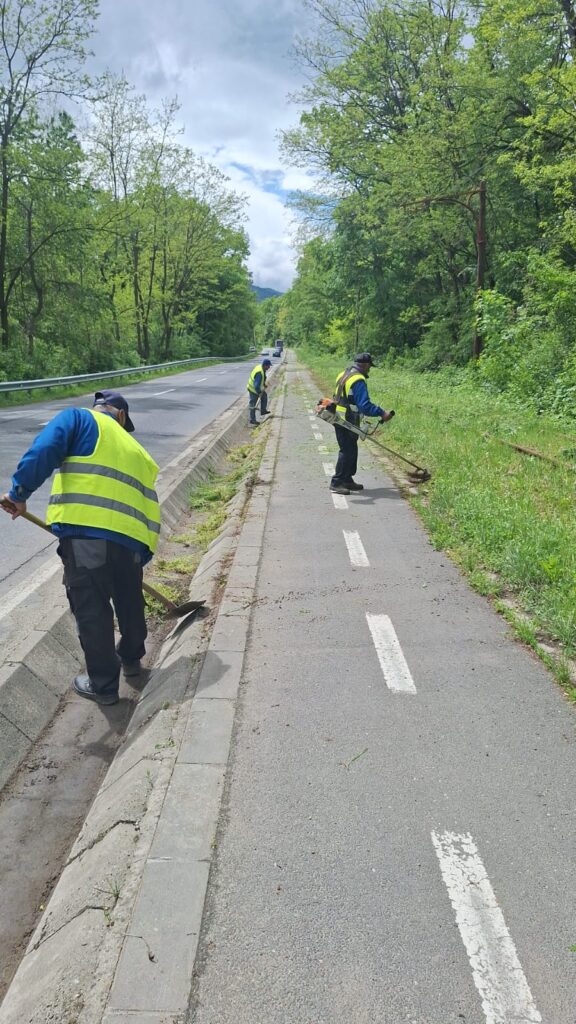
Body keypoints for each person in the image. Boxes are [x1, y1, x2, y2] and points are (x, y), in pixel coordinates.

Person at [1, 390, 160, 706]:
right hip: (132, 542)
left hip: (88, 536)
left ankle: (104, 686)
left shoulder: (78, 418)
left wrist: (18, 493)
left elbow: (44, 449)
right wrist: (142, 553)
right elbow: (150, 507)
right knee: (129, 600)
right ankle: (131, 660)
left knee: (92, 608)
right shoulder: (139, 452)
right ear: (121, 416)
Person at [330, 352, 394, 495]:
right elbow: (364, 405)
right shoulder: (358, 380)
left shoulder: (344, 374)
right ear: (364, 365)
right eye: (369, 366)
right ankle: (337, 482)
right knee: (347, 450)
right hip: (347, 419)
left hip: (340, 416)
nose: (369, 369)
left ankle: (347, 479)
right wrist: (382, 413)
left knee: (351, 449)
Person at [247, 358, 271, 425]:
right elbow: (256, 385)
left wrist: (264, 384)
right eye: (268, 366)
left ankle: (263, 410)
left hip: (256, 388)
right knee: (253, 405)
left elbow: (262, 379)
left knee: (264, 396)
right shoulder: (259, 373)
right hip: (253, 389)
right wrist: (259, 393)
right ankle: (252, 420)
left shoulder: (262, 368)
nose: (269, 367)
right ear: (265, 365)